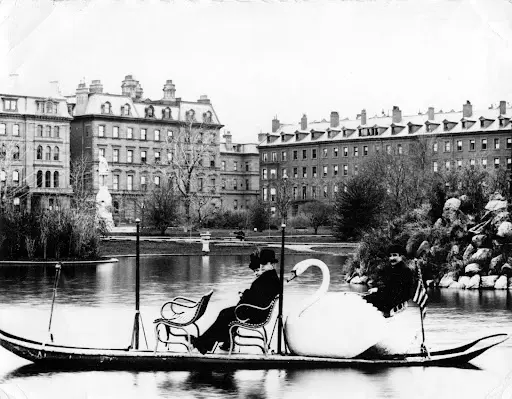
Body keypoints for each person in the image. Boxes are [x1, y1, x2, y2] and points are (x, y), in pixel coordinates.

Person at [191, 248, 281, 354]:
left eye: (264, 264)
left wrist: (245, 295)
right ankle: (206, 343)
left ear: (272, 264)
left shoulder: (267, 278)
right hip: (255, 312)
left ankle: (204, 343)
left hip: (254, 314)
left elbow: (256, 298)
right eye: (261, 264)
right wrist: (247, 294)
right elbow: (258, 296)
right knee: (225, 313)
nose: (261, 267)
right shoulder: (270, 277)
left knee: (225, 314)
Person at [363, 244, 415, 317]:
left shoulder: (405, 271)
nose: (391, 258)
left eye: (394, 255)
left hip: (398, 299)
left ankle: (384, 317)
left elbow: (396, 288)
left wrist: (378, 290)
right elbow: (387, 285)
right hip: (389, 295)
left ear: (400, 256)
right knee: (364, 300)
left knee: (367, 301)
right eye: (390, 256)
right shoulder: (390, 269)